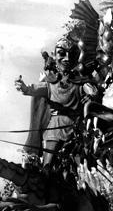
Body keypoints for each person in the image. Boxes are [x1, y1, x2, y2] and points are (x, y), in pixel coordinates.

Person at [15, 34, 97, 166]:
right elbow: (33, 89)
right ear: (55, 56)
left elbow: (91, 91)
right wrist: (24, 87)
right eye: (62, 54)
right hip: (55, 129)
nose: (67, 59)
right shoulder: (51, 83)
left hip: (78, 128)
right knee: (49, 164)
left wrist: (92, 94)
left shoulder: (80, 81)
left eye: (71, 55)